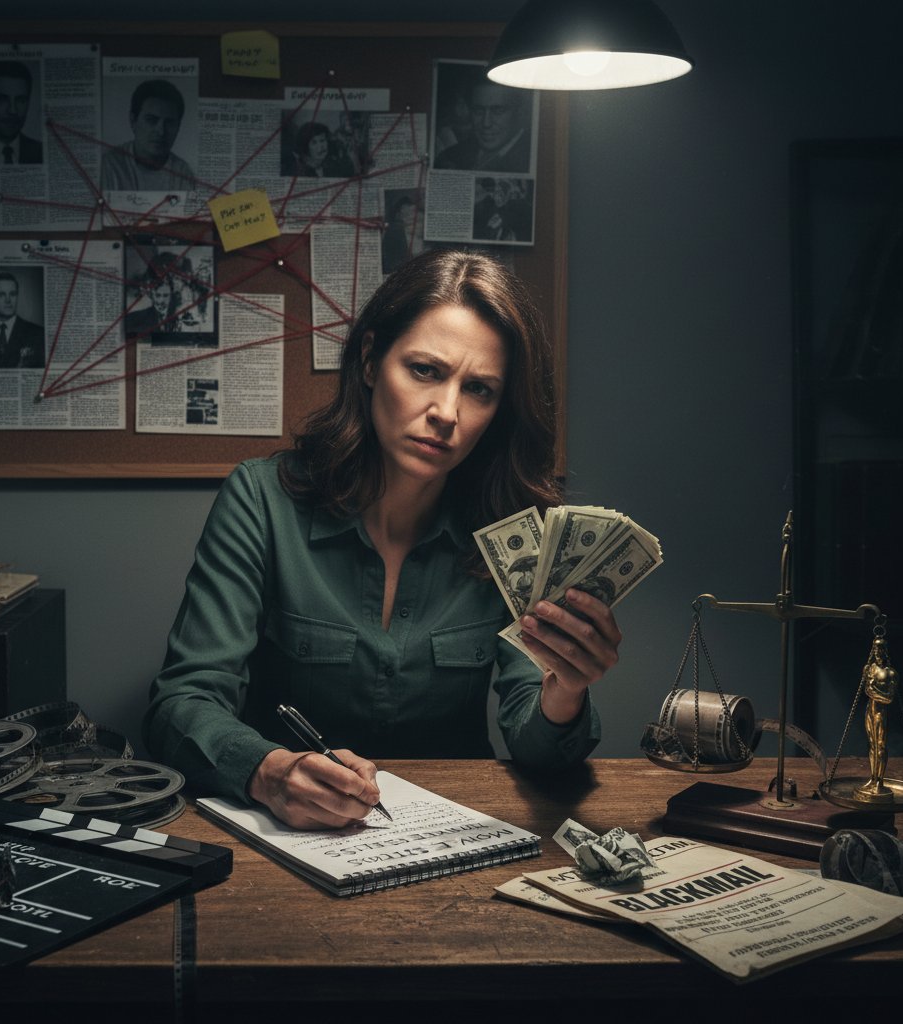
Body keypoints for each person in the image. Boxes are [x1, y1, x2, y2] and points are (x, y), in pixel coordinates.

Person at [143, 249, 621, 830]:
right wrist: (269, 771)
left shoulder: (512, 535)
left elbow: (539, 747)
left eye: (479, 389)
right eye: (425, 371)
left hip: (453, 841)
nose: (446, 412)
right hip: (285, 836)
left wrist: (566, 689)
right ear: (370, 361)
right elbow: (182, 703)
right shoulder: (262, 500)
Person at [101, 80, 196, 192]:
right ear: (133, 121)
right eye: (151, 120)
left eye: (169, 123)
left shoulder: (183, 172)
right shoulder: (109, 165)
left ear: (178, 127)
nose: (161, 131)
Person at [434, 82, 532, 173]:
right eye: (478, 111)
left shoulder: (531, 157)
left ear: (519, 112)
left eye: (498, 111)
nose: (486, 123)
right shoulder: (450, 156)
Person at [291, 121, 355, 178]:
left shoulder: (333, 164)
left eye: (322, 140)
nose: (320, 146)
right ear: (305, 147)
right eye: (314, 143)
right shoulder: (300, 172)